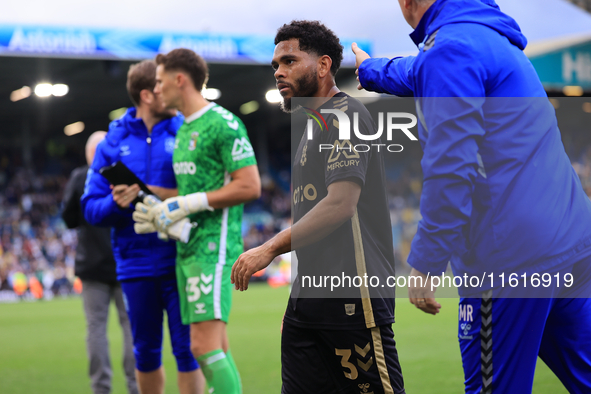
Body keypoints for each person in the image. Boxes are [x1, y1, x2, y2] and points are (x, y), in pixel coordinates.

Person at [352, 0, 591, 393]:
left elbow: (451, 167)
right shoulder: (486, 37)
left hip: (507, 261)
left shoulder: (448, 49)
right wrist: (371, 69)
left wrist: (427, 261)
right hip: (569, 244)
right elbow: (418, 70)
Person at [230, 20, 405, 394]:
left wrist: (269, 247)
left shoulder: (347, 115)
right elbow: (311, 219)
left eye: (289, 61)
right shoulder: (310, 126)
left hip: (352, 300)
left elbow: (340, 204)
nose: (278, 72)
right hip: (308, 305)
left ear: (323, 66)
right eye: (275, 65)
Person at [133, 48, 261, 394]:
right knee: (214, 346)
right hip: (187, 248)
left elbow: (250, 185)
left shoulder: (223, 123)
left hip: (213, 248)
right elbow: (187, 190)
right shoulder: (185, 129)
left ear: (179, 80)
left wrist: (189, 203)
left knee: (203, 347)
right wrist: (158, 207)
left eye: (160, 82)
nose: (156, 89)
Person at [81, 60, 205, 394]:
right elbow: (90, 209)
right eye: (165, 85)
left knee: (189, 349)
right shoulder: (112, 142)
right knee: (146, 352)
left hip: (183, 259)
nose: (173, 90)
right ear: (149, 94)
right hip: (134, 264)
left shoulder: (186, 131)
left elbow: (209, 191)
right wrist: (116, 203)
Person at [62, 131, 138, 394]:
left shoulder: (80, 176)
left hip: (92, 265)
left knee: (95, 327)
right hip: (125, 260)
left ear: (88, 154)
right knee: (131, 326)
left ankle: (100, 387)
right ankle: (135, 384)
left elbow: (68, 218)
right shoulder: (127, 172)